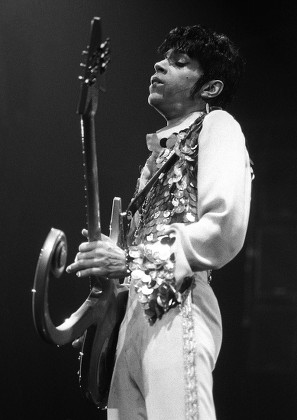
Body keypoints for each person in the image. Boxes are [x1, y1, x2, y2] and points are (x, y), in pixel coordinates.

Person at [66, 24, 253, 420]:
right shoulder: (155, 160)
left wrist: (129, 263)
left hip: (177, 307)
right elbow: (132, 263)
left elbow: (223, 230)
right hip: (133, 318)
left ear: (210, 88)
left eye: (179, 62)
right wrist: (109, 290)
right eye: (164, 58)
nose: (160, 64)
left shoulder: (218, 126)